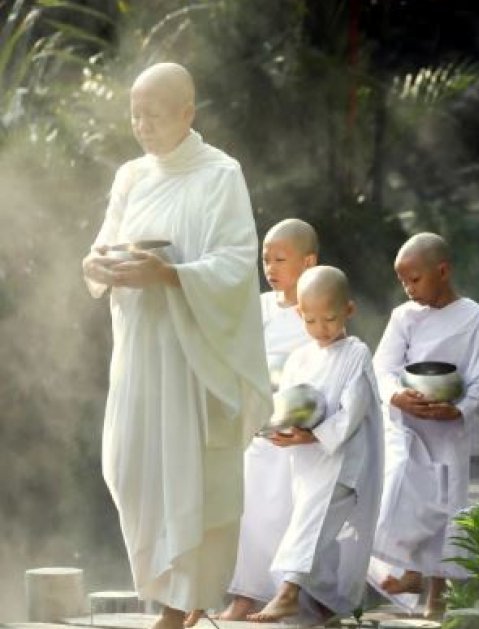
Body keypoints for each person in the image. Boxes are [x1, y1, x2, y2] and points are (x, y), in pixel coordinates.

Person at [81, 62, 271, 629]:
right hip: (140, 350)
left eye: (155, 115)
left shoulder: (220, 174)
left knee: (185, 472)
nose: (142, 126)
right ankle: (169, 596)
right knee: (130, 469)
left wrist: (170, 275)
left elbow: (237, 264)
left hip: (192, 356)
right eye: (135, 114)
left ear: (188, 113)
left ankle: (179, 605)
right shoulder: (131, 176)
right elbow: (102, 249)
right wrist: (94, 263)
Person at [371, 233, 479, 616]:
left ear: (442, 271)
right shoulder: (404, 316)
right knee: (404, 496)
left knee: (446, 507)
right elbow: (382, 366)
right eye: (403, 282)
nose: (408, 289)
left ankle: (437, 592)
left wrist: (460, 408)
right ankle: (411, 569)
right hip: (410, 427)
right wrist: (396, 394)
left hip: (449, 430)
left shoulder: (475, 316)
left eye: (415, 279)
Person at [245, 266, 383, 623]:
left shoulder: (356, 353)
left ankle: (288, 593)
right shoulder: (299, 358)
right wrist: (281, 431)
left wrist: (316, 435)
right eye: (310, 320)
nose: (321, 328)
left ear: (348, 311)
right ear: (298, 314)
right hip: (308, 463)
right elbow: (286, 405)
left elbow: (354, 411)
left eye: (329, 318)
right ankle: (327, 603)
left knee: (310, 524)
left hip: (341, 463)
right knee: (317, 534)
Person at [220, 219, 318, 621]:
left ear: (308, 261)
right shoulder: (258, 306)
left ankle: (287, 593)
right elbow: (236, 356)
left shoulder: (317, 307)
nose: (270, 267)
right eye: (265, 259)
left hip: (299, 426)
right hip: (258, 423)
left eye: (280, 259)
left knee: (290, 511)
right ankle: (245, 593)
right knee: (251, 509)